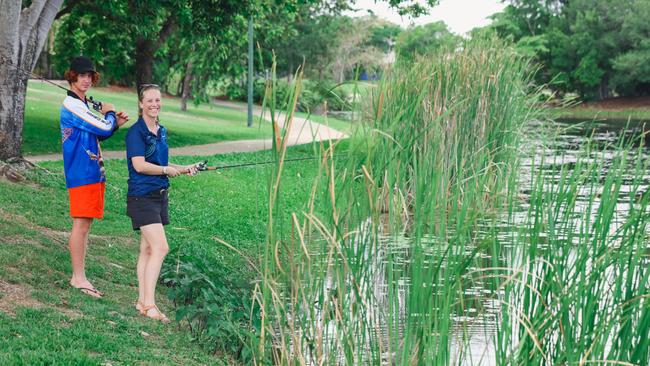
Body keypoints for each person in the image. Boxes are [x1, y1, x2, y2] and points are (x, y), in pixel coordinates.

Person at [125, 84, 198, 322]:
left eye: (158, 100)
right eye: (150, 101)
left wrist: (183, 168)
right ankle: (150, 304)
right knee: (161, 247)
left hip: (159, 195)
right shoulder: (135, 133)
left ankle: (141, 302)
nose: (155, 104)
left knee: (147, 249)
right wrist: (166, 169)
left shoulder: (161, 130)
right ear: (141, 104)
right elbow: (139, 165)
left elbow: (160, 161)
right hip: (141, 196)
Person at [60, 56, 129, 298]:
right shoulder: (73, 106)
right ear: (72, 77)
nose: (86, 79)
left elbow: (97, 135)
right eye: (81, 75)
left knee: (86, 224)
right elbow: (102, 127)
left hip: (91, 171)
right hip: (81, 172)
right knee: (81, 225)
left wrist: (114, 124)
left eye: (89, 76)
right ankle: (78, 278)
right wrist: (110, 114)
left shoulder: (82, 105)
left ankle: (80, 275)